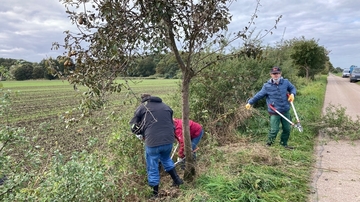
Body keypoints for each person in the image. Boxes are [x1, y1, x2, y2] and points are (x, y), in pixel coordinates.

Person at [129, 93, 183, 198]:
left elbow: (134, 126)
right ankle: (177, 180)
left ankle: (155, 194)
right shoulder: (167, 107)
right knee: (166, 159)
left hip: (153, 142)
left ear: (145, 100)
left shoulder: (143, 107)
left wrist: (139, 134)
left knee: (152, 165)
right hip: (168, 141)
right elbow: (172, 124)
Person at [245, 67, 297, 149]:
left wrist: (292, 94)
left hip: (285, 110)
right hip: (274, 111)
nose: (276, 75)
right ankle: (269, 145)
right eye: (274, 74)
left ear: (280, 74)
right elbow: (259, 95)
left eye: (277, 73)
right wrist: (250, 102)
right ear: (271, 75)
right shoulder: (266, 86)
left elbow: (292, 88)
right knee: (274, 130)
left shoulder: (286, 82)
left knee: (287, 129)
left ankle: (284, 144)